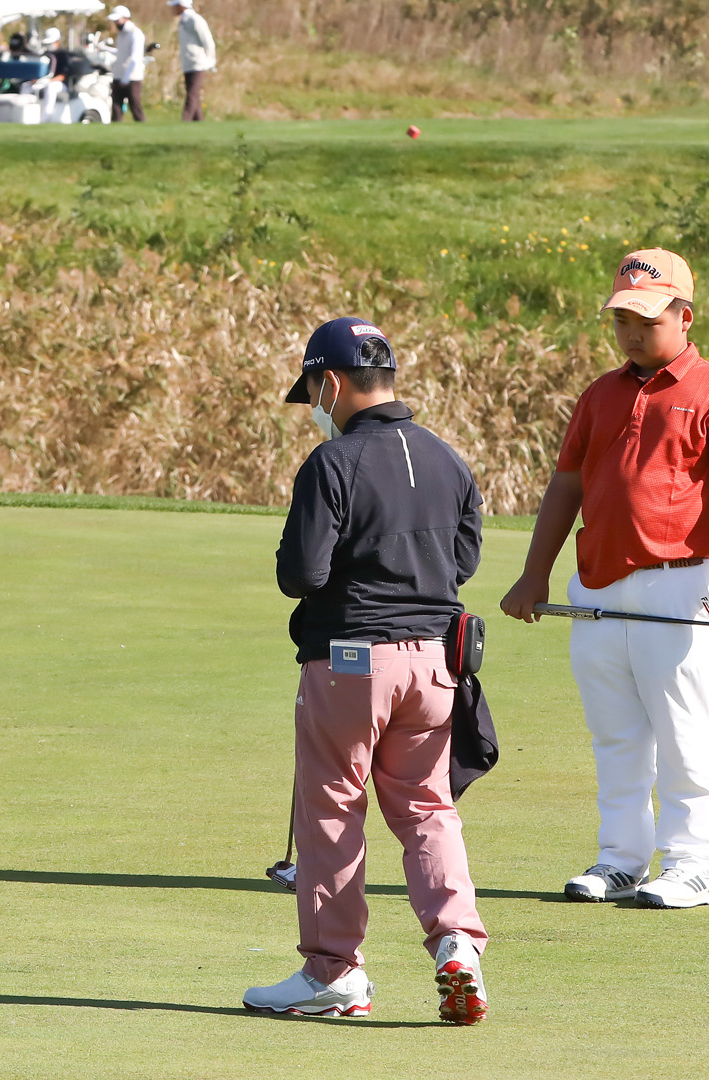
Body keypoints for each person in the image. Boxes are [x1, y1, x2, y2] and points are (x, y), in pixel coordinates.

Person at [246, 317, 491, 1025]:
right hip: (436, 667)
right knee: (426, 808)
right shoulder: (447, 458)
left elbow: (302, 574)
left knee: (332, 811)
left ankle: (334, 974)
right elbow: (463, 563)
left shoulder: (332, 464)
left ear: (330, 381)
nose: (315, 408)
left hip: (351, 662)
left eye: (314, 393)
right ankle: (456, 945)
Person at [499, 249, 709, 910]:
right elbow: (567, 487)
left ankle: (693, 865)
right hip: (598, 586)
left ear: (684, 315)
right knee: (615, 732)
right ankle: (621, 858)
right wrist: (535, 574)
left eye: (646, 318)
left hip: (681, 583)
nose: (632, 332)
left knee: (683, 729)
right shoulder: (599, 395)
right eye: (621, 320)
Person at [167, 0, 216, 122]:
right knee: (193, 95)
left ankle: (185, 121)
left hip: (198, 63)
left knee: (192, 95)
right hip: (188, 63)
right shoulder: (183, 21)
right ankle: (199, 122)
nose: (173, 9)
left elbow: (208, 41)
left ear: (181, 6)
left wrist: (210, 60)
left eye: (175, 6)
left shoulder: (195, 19)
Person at [28, 27, 87, 122]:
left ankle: (44, 119)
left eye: (50, 43)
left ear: (57, 42)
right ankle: (26, 117)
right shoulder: (45, 54)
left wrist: (48, 81)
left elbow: (63, 75)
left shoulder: (63, 55)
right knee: (26, 87)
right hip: (43, 82)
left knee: (51, 87)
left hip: (61, 84)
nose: (49, 45)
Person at [106, 5, 145, 122]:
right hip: (119, 74)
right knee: (116, 106)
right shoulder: (121, 34)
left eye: (117, 20)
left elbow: (135, 57)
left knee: (135, 105)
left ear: (126, 18)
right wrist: (106, 49)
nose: (116, 23)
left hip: (132, 76)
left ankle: (143, 128)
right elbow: (121, 52)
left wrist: (126, 77)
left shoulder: (136, 33)